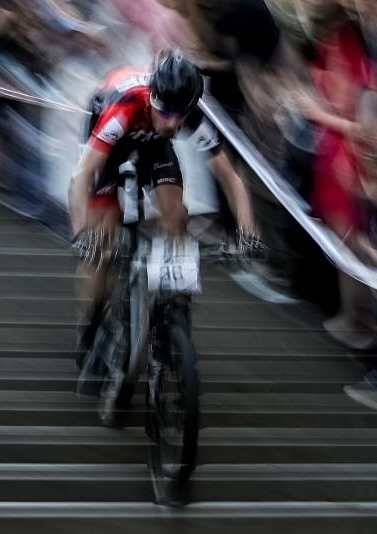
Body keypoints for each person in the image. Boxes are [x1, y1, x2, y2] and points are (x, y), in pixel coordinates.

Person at [68, 49, 260, 385]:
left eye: (180, 115)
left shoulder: (189, 114)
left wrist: (248, 233)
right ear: (154, 97)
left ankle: (172, 304)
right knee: (103, 235)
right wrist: (81, 232)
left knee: (176, 215)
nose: (173, 122)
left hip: (153, 146)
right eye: (166, 111)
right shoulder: (126, 106)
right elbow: (82, 176)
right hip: (113, 137)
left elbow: (231, 179)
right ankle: (92, 319)